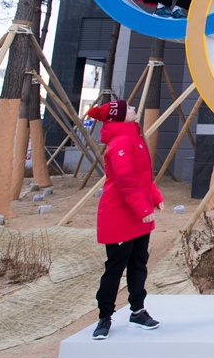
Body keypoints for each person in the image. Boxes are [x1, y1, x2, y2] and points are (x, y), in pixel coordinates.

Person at [85, 99, 164, 341]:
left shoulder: (134, 138)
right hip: (120, 215)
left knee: (139, 263)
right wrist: (142, 208)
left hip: (139, 213)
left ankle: (137, 311)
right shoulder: (119, 143)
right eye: (128, 109)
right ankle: (104, 316)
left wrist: (154, 197)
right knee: (115, 267)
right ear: (118, 118)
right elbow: (125, 179)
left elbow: (143, 177)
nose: (133, 109)